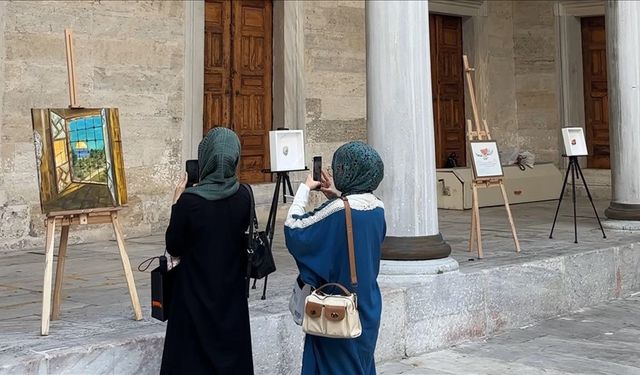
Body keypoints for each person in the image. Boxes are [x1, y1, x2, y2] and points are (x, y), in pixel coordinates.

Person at [284, 141, 386, 375]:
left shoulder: (337, 210)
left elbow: (294, 228)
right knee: (360, 364)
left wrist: (305, 188)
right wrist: (336, 196)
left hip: (338, 308)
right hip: (368, 304)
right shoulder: (378, 208)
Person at [160, 127, 253, 375]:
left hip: (194, 291)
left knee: (191, 357)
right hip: (231, 290)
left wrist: (176, 202)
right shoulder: (244, 195)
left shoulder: (189, 202)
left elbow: (174, 246)